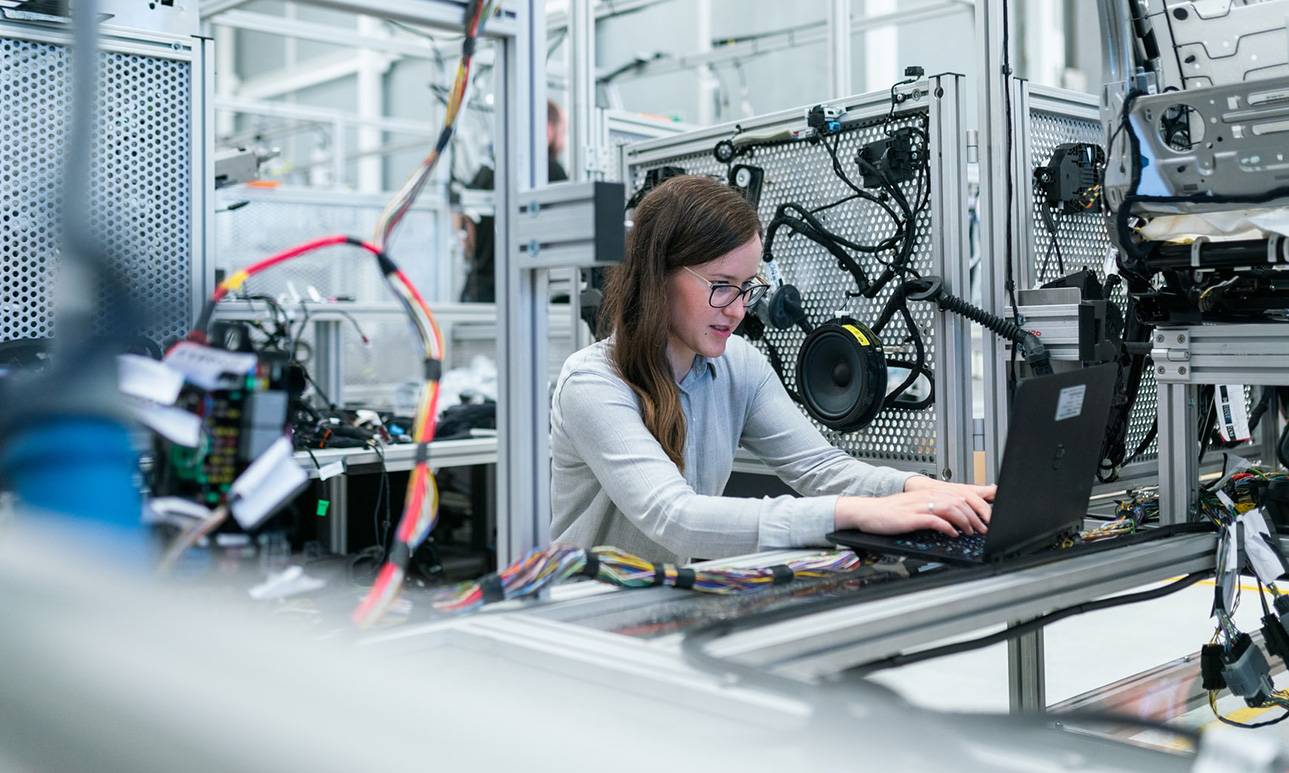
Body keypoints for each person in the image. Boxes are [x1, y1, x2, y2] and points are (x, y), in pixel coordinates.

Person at [550, 175, 995, 564]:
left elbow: (821, 468)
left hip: (662, 601)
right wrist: (851, 513)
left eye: (747, 288)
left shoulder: (737, 365)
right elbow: (675, 518)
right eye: (722, 287)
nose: (739, 310)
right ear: (657, 276)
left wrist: (922, 490)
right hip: (586, 618)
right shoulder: (593, 382)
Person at [458, 100, 569, 303]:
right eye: (563, 131)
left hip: (478, 295)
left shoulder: (485, 172)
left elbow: (466, 235)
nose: (564, 140)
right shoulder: (550, 170)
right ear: (547, 129)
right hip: (523, 296)